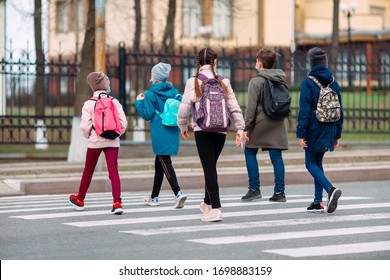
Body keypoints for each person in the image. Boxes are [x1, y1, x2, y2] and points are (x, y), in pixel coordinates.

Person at [177, 47, 245, 222]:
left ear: (198, 62)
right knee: (211, 167)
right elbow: (233, 106)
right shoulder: (224, 81)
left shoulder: (193, 81)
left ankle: (216, 208)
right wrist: (240, 128)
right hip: (221, 130)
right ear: (215, 62)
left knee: (209, 168)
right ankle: (207, 203)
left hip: (203, 130)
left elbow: (184, 107)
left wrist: (182, 125)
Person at [69, 72, 128, 214]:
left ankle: (80, 199)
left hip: (95, 141)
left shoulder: (89, 104)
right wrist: (116, 134)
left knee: (88, 171)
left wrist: (90, 135)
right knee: (113, 171)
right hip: (112, 141)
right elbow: (123, 122)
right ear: (106, 85)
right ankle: (117, 202)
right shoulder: (114, 101)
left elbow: (84, 126)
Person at [296, 47, 343, 213]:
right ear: (325, 62)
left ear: (311, 63)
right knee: (317, 162)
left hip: (313, 129)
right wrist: (337, 134)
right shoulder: (333, 82)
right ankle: (317, 201)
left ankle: (330, 189)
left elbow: (304, 111)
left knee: (310, 163)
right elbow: (340, 110)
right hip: (329, 127)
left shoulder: (308, 82)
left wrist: (301, 133)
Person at [135, 62, 187, 209]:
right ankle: (154, 197)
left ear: (154, 77)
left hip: (159, 129)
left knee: (164, 161)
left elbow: (147, 114)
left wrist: (139, 102)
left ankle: (178, 192)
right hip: (172, 128)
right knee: (159, 163)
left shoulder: (151, 94)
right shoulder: (174, 90)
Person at [241, 48, 288, 203]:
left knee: (249, 151)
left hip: (261, 122)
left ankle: (254, 189)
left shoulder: (256, 81)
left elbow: (251, 108)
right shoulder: (280, 79)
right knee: (276, 156)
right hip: (278, 122)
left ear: (260, 63)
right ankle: (280, 192)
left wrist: (246, 128)